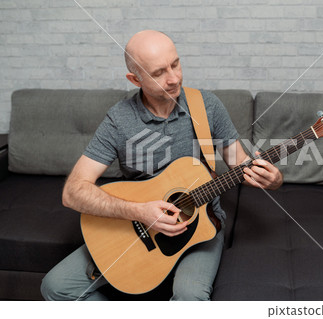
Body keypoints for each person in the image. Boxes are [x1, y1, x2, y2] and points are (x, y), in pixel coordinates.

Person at [40, 30, 283, 301]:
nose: (174, 78)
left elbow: (240, 162)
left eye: (175, 64)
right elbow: (72, 192)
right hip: (138, 229)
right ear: (135, 79)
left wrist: (271, 179)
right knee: (56, 286)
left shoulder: (206, 106)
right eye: (158, 73)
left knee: (189, 298)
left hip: (201, 228)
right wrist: (139, 211)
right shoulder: (119, 120)